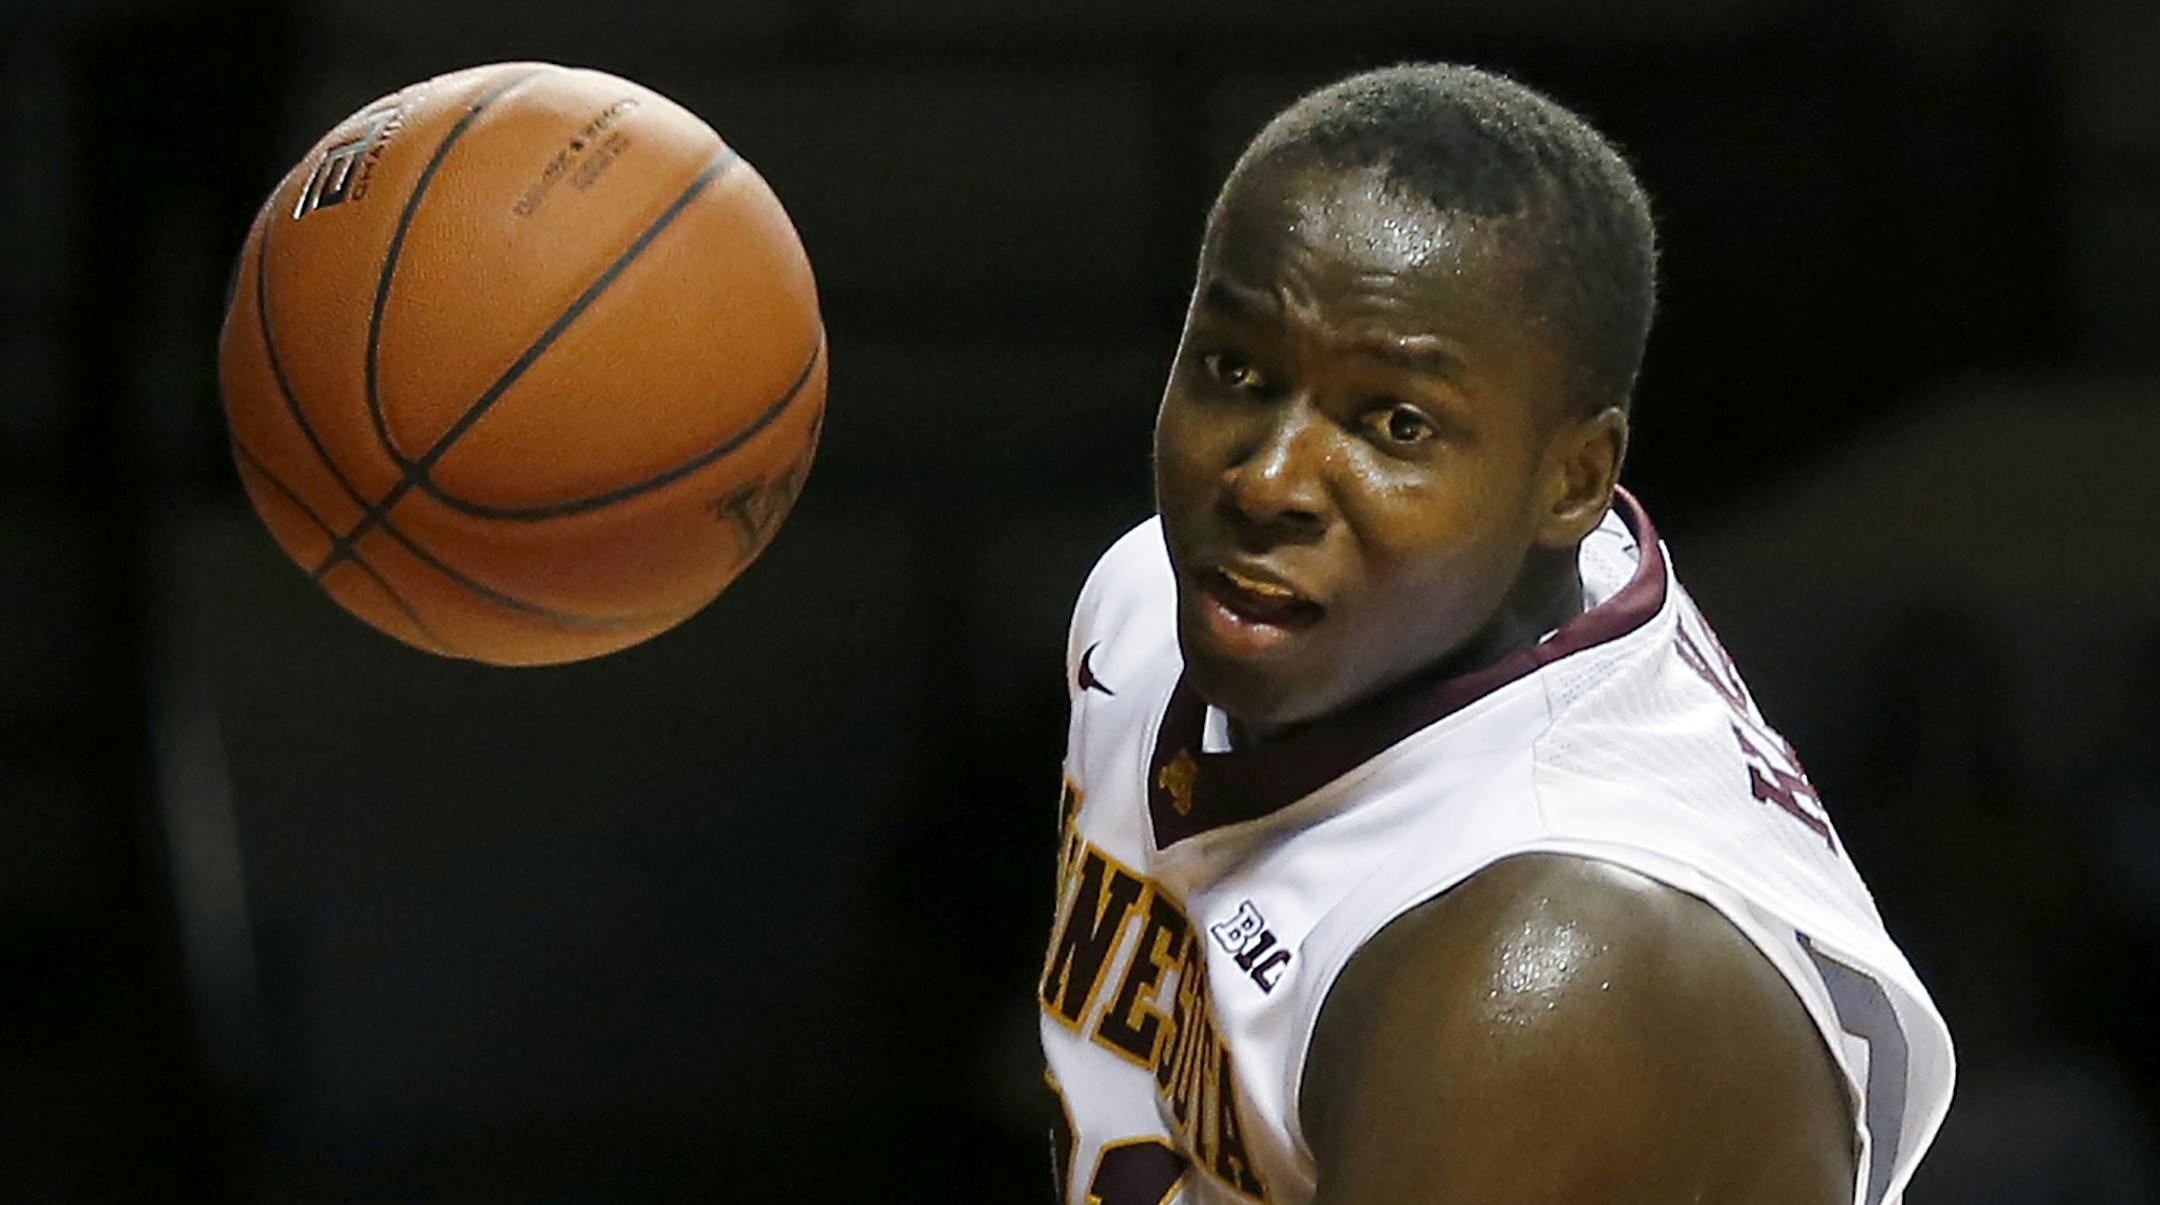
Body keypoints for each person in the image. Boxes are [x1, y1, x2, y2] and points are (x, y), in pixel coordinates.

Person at [1038, 63, 1954, 1204]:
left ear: (1571, 482)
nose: (1267, 479)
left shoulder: (1536, 962)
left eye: (1395, 422)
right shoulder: (1150, 608)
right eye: (1236, 369)